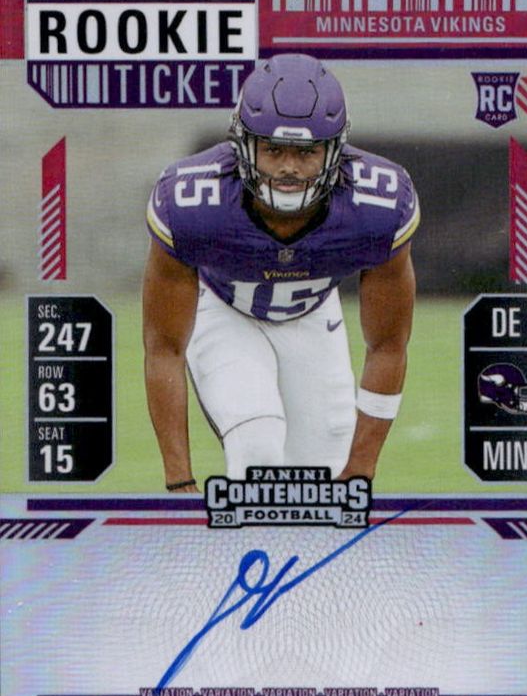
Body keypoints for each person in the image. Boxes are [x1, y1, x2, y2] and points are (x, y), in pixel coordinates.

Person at [143, 54, 419, 493]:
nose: (289, 167)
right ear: (243, 144)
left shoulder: (379, 207)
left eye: (307, 152)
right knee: (259, 450)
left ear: (335, 150)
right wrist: (180, 481)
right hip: (223, 308)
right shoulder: (191, 203)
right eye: (273, 150)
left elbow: (387, 346)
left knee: (321, 483)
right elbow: (164, 348)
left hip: (311, 313)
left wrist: (360, 470)